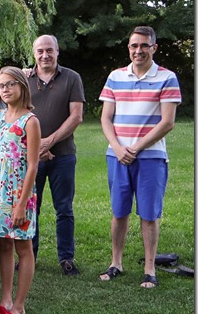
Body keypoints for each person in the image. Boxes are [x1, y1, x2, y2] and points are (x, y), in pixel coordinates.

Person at [98, 26, 181, 288]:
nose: (138, 50)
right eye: (134, 46)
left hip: (151, 157)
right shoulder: (115, 76)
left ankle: (149, 269)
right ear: (129, 48)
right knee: (119, 211)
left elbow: (167, 122)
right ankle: (116, 263)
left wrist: (136, 147)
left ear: (154, 48)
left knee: (149, 214)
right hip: (117, 156)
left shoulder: (167, 78)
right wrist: (118, 147)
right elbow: (105, 117)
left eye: (144, 45)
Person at [0, 67, 40, 314]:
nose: (5, 90)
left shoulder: (30, 121)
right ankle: (5, 299)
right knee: (4, 244)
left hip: (19, 192)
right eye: (1, 86)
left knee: (22, 246)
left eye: (10, 85)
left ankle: (19, 304)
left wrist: (21, 205)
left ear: (22, 86)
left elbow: (33, 165)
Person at [26, 35, 85, 275]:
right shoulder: (24, 79)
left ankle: (66, 258)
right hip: (32, 157)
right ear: (34, 54)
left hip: (63, 155)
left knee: (64, 208)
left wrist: (49, 141)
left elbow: (76, 116)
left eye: (49, 50)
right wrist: (36, 147)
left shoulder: (71, 78)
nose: (45, 55)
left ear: (57, 51)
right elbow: (15, 113)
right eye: (40, 51)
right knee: (32, 207)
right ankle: (29, 255)